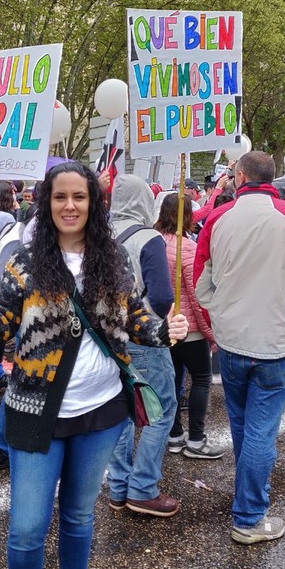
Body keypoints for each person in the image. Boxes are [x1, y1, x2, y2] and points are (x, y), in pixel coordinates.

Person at [0, 162, 188, 569]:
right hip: (35, 410)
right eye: (59, 197)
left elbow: (135, 315)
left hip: (101, 413)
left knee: (80, 517)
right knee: (26, 528)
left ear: (93, 202)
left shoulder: (114, 260)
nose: (69, 206)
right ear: (47, 202)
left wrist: (164, 329)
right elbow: (1, 326)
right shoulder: (24, 261)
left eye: (79, 197)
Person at [194, 151, 285, 545]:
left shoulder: (217, 219)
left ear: (238, 176)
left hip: (234, 342)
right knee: (258, 431)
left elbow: (203, 286)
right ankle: (249, 515)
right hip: (275, 343)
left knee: (244, 427)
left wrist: (222, 321)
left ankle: (247, 500)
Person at [106, 174, 181, 517]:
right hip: (144, 337)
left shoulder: (99, 235)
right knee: (159, 412)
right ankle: (142, 488)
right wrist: (161, 320)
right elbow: (163, 296)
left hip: (106, 338)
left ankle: (119, 486)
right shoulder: (148, 238)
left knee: (120, 414)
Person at [155, 194, 226, 459]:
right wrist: (210, 332)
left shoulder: (153, 242)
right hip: (190, 327)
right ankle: (196, 439)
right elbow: (197, 294)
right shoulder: (187, 247)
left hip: (162, 325)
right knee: (201, 379)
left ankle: (174, 435)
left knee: (172, 380)